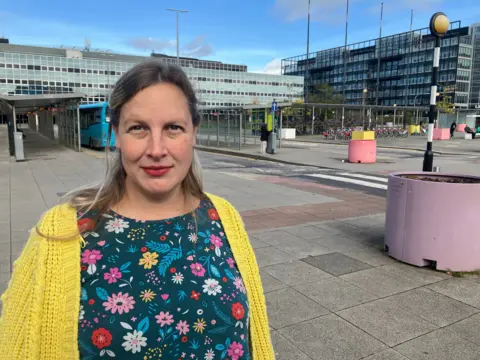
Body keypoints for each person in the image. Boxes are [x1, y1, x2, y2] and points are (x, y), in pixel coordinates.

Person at [0, 60, 274, 359]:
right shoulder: (61, 231)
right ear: (116, 133)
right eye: (138, 128)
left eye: (173, 127)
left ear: (194, 132)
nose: (156, 150)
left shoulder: (224, 217)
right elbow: (19, 344)